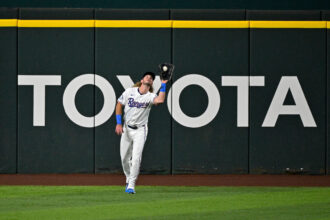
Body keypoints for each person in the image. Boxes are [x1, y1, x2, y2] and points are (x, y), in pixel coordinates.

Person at [115, 71, 168, 194]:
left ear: (152, 82)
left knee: (136, 158)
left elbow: (160, 100)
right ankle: (128, 177)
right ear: (142, 79)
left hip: (140, 130)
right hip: (127, 128)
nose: (149, 78)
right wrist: (118, 123)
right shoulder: (130, 91)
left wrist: (164, 84)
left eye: (151, 78)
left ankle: (131, 185)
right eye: (147, 76)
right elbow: (119, 104)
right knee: (124, 158)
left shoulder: (150, 96)